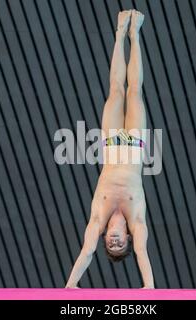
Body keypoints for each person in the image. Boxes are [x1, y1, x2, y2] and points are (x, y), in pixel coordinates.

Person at [65, 9, 154, 289]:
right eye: (120, 243)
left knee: (116, 89)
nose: (114, 240)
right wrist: (149, 290)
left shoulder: (98, 216)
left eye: (110, 243)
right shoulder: (136, 219)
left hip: (113, 143)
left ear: (105, 237)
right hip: (136, 142)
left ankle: (119, 33)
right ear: (127, 236)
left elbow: (87, 251)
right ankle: (135, 34)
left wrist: (70, 287)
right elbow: (142, 253)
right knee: (134, 91)